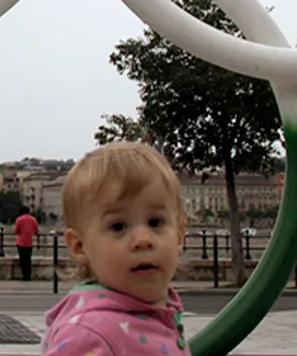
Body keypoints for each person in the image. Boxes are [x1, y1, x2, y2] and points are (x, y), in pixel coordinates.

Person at [42, 142, 189, 355]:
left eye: (155, 222)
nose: (143, 239)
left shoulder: (158, 313)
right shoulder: (87, 336)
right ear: (80, 246)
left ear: (179, 235)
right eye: (118, 226)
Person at [13, 206, 39, 281]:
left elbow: (16, 231)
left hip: (21, 242)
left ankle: (24, 276)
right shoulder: (34, 220)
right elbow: (36, 231)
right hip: (30, 242)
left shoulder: (19, 220)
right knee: (28, 259)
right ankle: (28, 275)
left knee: (22, 260)